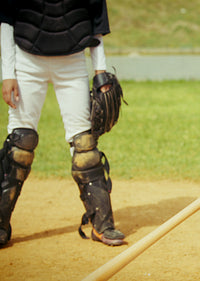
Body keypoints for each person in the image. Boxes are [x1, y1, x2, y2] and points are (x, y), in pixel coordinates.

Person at [0, 0, 125, 247]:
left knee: (85, 145)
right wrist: (8, 74)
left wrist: (100, 70)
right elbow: (6, 19)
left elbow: (95, 22)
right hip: (27, 61)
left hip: (72, 62)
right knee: (20, 143)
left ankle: (102, 224)